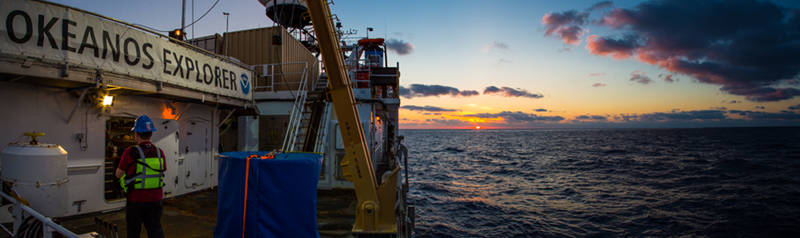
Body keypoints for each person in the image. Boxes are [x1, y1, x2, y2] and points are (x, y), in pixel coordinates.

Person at [115, 115, 166, 238]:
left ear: (136, 134)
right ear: (151, 134)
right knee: (155, 230)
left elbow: (118, 174)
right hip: (156, 199)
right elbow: (162, 170)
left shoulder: (130, 152)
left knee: (134, 232)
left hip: (136, 200)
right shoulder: (160, 152)